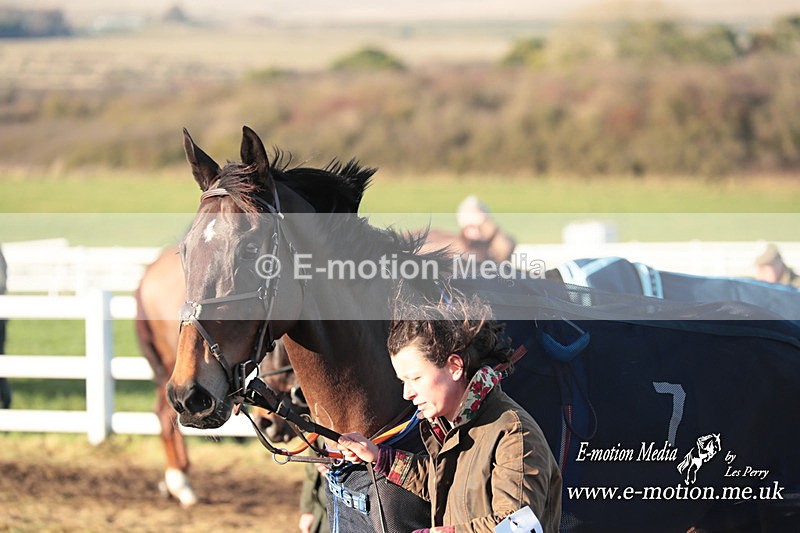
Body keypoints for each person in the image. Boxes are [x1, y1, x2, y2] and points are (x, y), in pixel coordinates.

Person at [337, 295, 562, 533]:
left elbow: (518, 526)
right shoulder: (456, 427)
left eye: (415, 378)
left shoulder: (513, 434)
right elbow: (439, 482)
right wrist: (378, 456)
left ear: (455, 367)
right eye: (403, 381)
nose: (407, 393)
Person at [422, 195, 516, 264]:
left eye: (479, 226)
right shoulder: (455, 244)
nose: (475, 231)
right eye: (470, 227)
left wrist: (487, 224)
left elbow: (507, 249)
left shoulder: (491, 247)